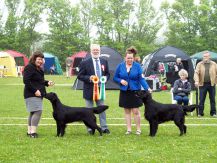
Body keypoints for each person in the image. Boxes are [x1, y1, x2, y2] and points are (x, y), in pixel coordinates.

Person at [113, 46, 151, 135]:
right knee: (127, 111)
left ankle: (138, 129)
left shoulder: (137, 66)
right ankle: (129, 129)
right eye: (128, 58)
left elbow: (141, 78)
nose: (130, 59)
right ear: (125, 58)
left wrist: (147, 88)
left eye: (131, 58)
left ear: (133, 58)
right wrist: (120, 80)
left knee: (136, 111)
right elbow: (115, 77)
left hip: (135, 92)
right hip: (124, 91)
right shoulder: (120, 66)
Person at [77, 44, 110, 134]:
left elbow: (107, 74)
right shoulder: (85, 62)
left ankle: (104, 127)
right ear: (91, 51)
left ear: (100, 51)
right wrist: (89, 78)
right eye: (94, 50)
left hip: (101, 90)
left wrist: (106, 78)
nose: (96, 51)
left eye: (97, 50)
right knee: (88, 111)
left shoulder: (104, 61)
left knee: (102, 109)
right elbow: (80, 76)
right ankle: (90, 129)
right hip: (89, 90)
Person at [23, 51, 54, 138]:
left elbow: (39, 81)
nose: (40, 61)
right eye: (39, 59)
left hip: (38, 94)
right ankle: (33, 133)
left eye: (42, 59)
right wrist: (34, 90)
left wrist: (47, 82)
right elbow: (26, 81)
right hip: (31, 94)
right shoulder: (29, 67)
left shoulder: (38, 68)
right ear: (34, 58)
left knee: (33, 112)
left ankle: (29, 132)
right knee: (37, 111)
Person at [194, 51, 217, 117]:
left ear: (209, 57)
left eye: (206, 56)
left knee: (212, 99)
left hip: (212, 84)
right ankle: (200, 113)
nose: (205, 57)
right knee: (201, 99)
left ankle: (213, 113)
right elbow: (196, 73)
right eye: (204, 56)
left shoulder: (214, 64)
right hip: (202, 84)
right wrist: (196, 81)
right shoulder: (199, 64)